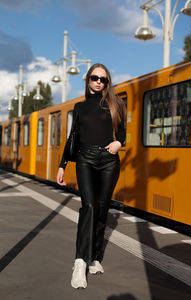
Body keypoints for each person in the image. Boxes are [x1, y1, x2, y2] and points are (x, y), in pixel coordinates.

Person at [57, 63, 126, 289]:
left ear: (107, 82)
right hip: (85, 159)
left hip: (108, 161)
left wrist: (118, 143)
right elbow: (73, 136)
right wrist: (62, 164)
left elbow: (123, 133)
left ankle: (95, 257)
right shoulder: (79, 107)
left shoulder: (116, 104)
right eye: (95, 78)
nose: (98, 82)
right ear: (88, 79)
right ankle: (80, 262)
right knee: (89, 207)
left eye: (103, 79)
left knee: (103, 207)